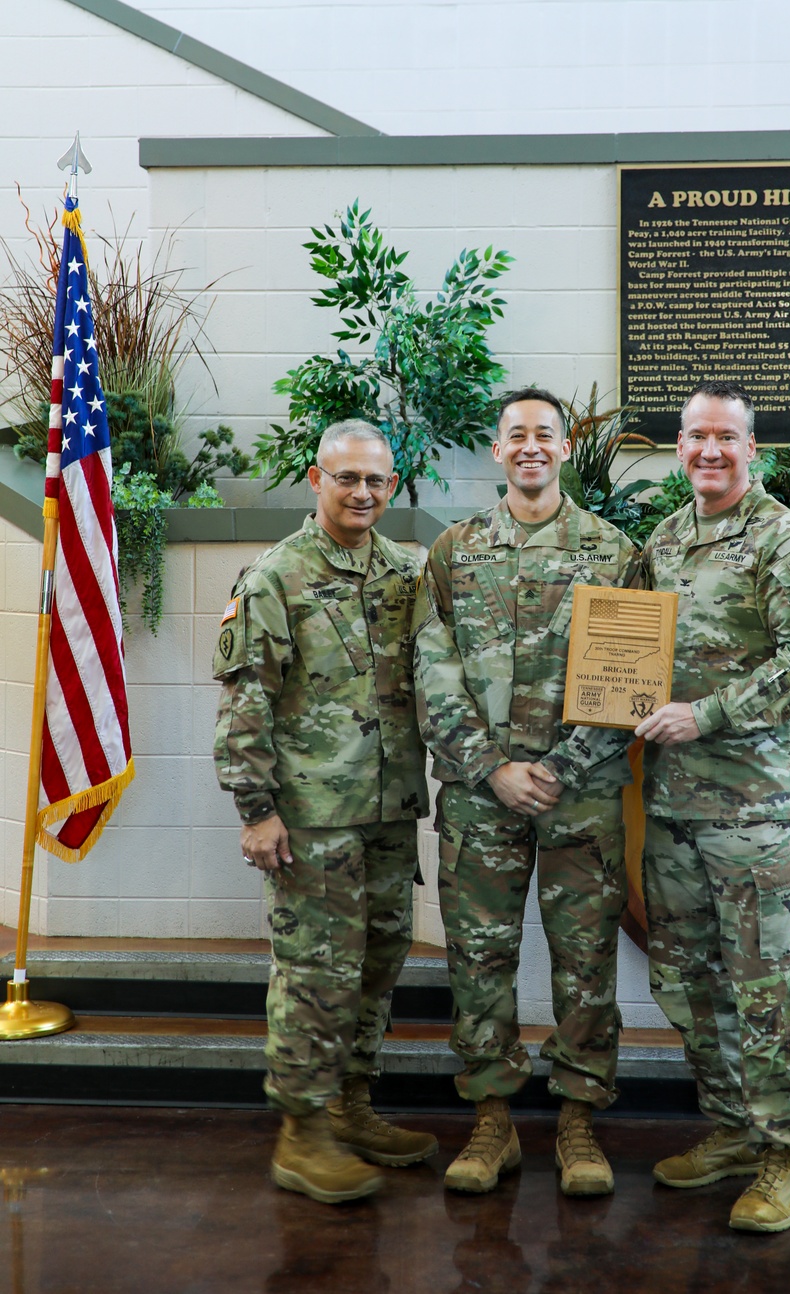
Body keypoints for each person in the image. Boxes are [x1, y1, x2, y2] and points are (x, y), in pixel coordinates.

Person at [413, 387, 642, 1197]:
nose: (532, 446)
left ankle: (578, 1121)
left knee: (585, 963)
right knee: (479, 960)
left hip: (578, 800)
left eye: (546, 433)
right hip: (482, 798)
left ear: (567, 443)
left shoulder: (614, 553)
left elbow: (630, 683)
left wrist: (559, 769)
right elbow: (430, 673)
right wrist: (493, 768)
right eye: (518, 435)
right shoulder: (454, 551)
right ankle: (493, 1120)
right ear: (497, 448)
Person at [635, 379, 790, 1233]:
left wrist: (708, 713)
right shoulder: (664, 540)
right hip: (675, 808)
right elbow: (631, 652)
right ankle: (728, 1130)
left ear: (752, 449)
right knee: (687, 980)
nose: (709, 451)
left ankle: (784, 1157)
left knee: (771, 990)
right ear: (678, 446)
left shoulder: (786, 541)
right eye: (695, 437)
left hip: (756, 810)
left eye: (726, 438)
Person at [213, 419, 438, 1204]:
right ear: (317, 479)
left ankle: (350, 1106)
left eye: (377, 479)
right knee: (315, 975)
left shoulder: (408, 571)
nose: (364, 492)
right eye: (348, 478)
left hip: (387, 813)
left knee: (378, 960)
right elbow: (247, 700)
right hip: (312, 820)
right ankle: (301, 1135)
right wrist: (256, 809)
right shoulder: (276, 575)